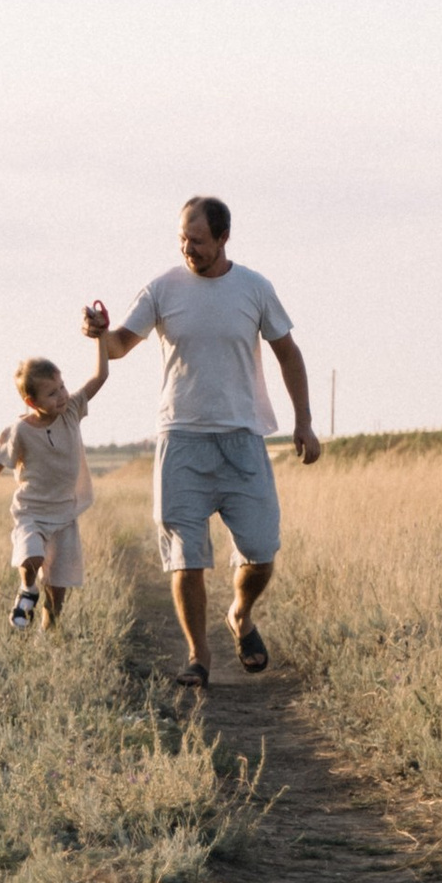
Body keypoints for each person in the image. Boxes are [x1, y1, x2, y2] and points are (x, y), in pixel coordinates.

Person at [83, 194, 319, 689]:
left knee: (260, 551)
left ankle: (241, 614)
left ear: (223, 238)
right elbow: (122, 344)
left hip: (242, 437)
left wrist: (304, 421)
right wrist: (99, 334)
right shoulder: (163, 288)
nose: (189, 249)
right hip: (181, 439)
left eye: (198, 241)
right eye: (183, 240)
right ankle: (198, 657)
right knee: (186, 556)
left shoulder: (254, 288)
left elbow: (288, 354)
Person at [0, 343, 109, 628]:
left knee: (57, 591)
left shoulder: (72, 410)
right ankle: (27, 589)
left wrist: (100, 338)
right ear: (31, 401)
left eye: (62, 386)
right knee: (31, 557)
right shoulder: (21, 431)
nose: (62, 395)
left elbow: (100, 376)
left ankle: (47, 639)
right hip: (31, 512)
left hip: (64, 514)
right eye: (52, 393)